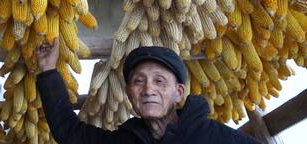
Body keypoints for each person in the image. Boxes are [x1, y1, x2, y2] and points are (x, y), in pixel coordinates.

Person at [36, 41, 261, 144]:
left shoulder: (214, 137)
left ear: (179, 92)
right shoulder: (126, 140)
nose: (148, 89)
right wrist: (48, 70)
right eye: (138, 81)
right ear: (129, 94)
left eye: (159, 81)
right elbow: (68, 132)